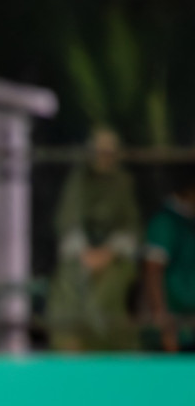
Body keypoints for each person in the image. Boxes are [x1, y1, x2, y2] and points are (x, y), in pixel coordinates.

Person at [46, 129, 139, 351]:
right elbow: (67, 221)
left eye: (109, 152)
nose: (103, 157)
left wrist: (109, 251)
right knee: (68, 280)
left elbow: (131, 227)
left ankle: (101, 344)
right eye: (99, 151)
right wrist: (84, 252)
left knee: (110, 285)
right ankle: (67, 342)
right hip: (81, 254)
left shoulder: (124, 183)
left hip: (115, 257)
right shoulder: (78, 181)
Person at [143, 170, 195, 352]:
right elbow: (153, 272)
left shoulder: (190, 219)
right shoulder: (165, 222)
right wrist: (162, 319)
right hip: (175, 330)